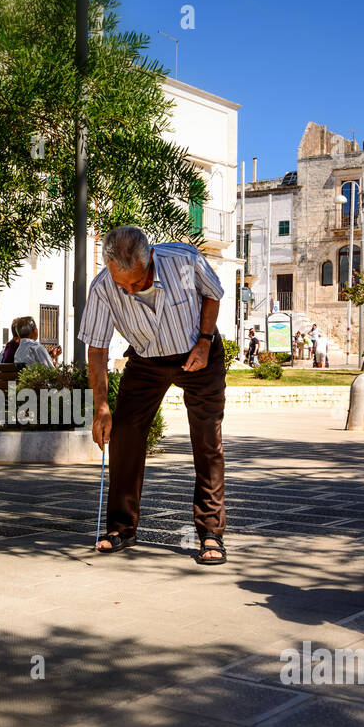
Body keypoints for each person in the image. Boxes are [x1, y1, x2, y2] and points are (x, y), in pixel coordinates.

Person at [82, 225, 227, 565]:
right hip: (146, 360)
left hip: (198, 352)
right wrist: (101, 405)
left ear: (150, 261)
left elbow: (213, 294)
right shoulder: (104, 287)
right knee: (125, 435)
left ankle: (210, 532)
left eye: (137, 282)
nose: (130, 290)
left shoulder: (183, 260)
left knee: (207, 439)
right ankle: (121, 528)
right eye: (124, 285)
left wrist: (205, 341)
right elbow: (98, 349)